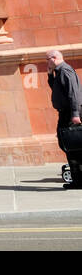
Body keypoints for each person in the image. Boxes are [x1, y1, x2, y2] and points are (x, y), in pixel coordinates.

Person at [47, 50, 82, 189]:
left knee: (73, 146)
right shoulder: (59, 72)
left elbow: (73, 94)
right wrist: (50, 75)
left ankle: (78, 181)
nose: (46, 62)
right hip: (66, 113)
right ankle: (78, 180)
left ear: (54, 58)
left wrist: (75, 114)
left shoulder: (65, 71)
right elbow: (55, 88)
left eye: (47, 59)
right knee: (70, 146)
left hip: (70, 114)